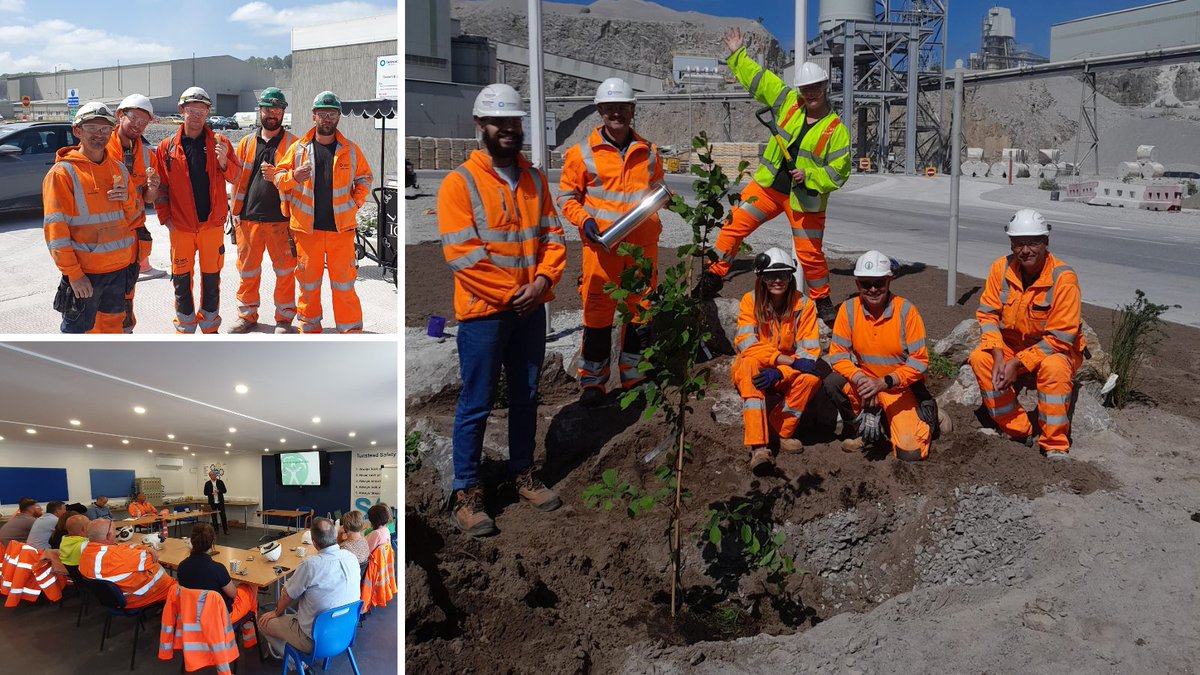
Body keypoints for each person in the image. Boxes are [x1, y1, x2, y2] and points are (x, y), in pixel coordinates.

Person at [437, 83, 568, 537]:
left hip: (531, 308)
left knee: (526, 396)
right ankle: (467, 492)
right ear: (481, 125)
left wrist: (544, 281)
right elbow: (462, 255)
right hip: (485, 313)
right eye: (500, 122)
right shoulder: (461, 183)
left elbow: (554, 236)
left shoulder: (533, 179)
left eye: (514, 122)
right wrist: (517, 292)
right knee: (476, 402)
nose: (509, 130)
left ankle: (522, 473)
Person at [695, 27, 851, 326]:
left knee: (810, 255)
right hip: (767, 188)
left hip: (805, 199)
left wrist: (811, 175)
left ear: (824, 86)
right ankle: (711, 280)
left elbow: (839, 171)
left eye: (815, 87)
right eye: (806, 89)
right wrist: (737, 55)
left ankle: (823, 302)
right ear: (800, 90)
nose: (810, 93)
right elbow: (759, 80)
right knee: (732, 227)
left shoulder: (836, 130)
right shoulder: (787, 102)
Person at [557, 78, 664, 406]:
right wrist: (584, 221)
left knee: (640, 310)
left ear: (632, 110)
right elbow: (566, 197)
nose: (616, 113)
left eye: (623, 107)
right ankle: (593, 381)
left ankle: (633, 375)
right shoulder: (581, 154)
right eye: (610, 107)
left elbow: (657, 188)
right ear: (600, 111)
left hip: (642, 247)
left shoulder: (649, 152)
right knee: (597, 312)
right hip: (602, 248)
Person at [968, 209, 1084, 460]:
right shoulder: (1001, 268)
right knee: (981, 359)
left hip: (1053, 350)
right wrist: (999, 356)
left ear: (1046, 243)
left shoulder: (1063, 279)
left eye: (1033, 243)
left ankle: (1054, 444)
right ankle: (1019, 429)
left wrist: (1017, 363)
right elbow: (987, 315)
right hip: (1011, 347)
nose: (1025, 250)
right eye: (1019, 244)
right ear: (1011, 244)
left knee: (1055, 368)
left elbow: (1061, 338)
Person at [272, 91, 373, 333]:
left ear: (338, 117)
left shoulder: (350, 150)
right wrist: (292, 177)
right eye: (322, 114)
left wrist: (355, 203)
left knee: (344, 285)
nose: (327, 119)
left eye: (332, 114)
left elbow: (365, 178)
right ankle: (309, 328)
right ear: (313, 116)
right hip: (308, 231)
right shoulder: (298, 149)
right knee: (308, 285)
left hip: (341, 231)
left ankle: (350, 331)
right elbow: (277, 176)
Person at [826, 251, 940, 461]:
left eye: (879, 283)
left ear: (889, 280)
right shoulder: (848, 310)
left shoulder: (906, 311)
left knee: (911, 453)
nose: (873, 289)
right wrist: (861, 379)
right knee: (834, 382)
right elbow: (838, 356)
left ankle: (929, 416)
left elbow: (919, 361)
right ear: (857, 284)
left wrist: (884, 382)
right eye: (866, 284)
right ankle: (863, 430)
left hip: (899, 387)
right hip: (866, 386)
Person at [42, 101, 139, 333]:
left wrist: (127, 198)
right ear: (77, 131)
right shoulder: (62, 173)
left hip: (118, 272)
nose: (100, 134)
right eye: (93, 128)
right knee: (78, 335)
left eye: (105, 129)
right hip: (86, 275)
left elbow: (135, 217)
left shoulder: (119, 169)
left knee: (112, 329)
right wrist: (74, 275)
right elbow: (56, 233)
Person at [731, 248, 823, 473]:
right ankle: (759, 447)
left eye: (783, 274)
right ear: (761, 278)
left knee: (811, 380)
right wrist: (782, 361)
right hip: (758, 365)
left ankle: (779, 430)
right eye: (771, 275)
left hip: (784, 371)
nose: (777, 280)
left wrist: (782, 371)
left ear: (791, 276)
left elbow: (809, 355)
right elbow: (746, 343)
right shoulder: (749, 301)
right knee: (749, 364)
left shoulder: (804, 305)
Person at [155, 86, 237, 334]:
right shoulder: (167, 147)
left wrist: (223, 161)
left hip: (211, 225)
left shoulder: (220, 143)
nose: (196, 115)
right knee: (181, 279)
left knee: (212, 278)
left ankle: (210, 327)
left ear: (208, 112)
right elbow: (161, 188)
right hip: (180, 227)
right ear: (182, 111)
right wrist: (165, 218)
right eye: (191, 110)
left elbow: (236, 177)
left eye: (202, 110)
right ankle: (185, 327)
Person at [226, 87, 300, 334]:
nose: (272, 114)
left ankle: (284, 318)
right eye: (268, 109)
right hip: (248, 219)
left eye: (277, 110)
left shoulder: (294, 144)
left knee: (285, 272)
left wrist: (280, 176)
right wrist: (233, 212)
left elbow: (301, 181)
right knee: (247, 271)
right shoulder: (247, 142)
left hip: (281, 220)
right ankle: (247, 316)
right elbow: (236, 178)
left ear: (283, 113)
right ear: (260, 111)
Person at [257, 518, 359, 658]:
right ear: (335, 535)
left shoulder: (310, 565)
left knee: (263, 622)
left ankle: (295, 660)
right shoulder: (351, 558)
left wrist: (276, 612)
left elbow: (287, 596)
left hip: (315, 640)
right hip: (344, 632)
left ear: (314, 543)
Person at [108, 93, 165, 334]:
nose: (138, 126)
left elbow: (148, 200)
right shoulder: (103, 148)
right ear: (120, 116)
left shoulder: (146, 155)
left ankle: (126, 330)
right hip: (106, 234)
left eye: (144, 122)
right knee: (103, 292)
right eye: (134, 119)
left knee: (127, 289)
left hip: (132, 235)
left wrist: (152, 188)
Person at [78, 518, 177, 608]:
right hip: (138, 597)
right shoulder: (117, 556)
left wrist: (146, 548)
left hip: (115, 598)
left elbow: (123, 547)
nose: (118, 533)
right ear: (108, 535)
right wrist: (150, 550)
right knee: (181, 588)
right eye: (115, 531)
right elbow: (153, 559)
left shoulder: (87, 551)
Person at [177, 524, 257, 627]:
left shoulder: (181, 567)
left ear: (192, 541)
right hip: (220, 617)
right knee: (250, 587)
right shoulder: (218, 569)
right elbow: (233, 594)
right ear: (212, 542)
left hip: (192, 615)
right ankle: (251, 640)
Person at [204, 470, 229, 535]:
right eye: (212, 475)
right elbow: (205, 493)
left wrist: (219, 491)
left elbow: (225, 490)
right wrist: (211, 493)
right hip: (212, 502)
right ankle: (216, 530)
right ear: (210, 476)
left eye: (215, 475)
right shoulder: (207, 483)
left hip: (220, 502)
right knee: (214, 517)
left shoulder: (220, 482)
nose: (214, 476)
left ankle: (225, 530)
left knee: (223, 516)